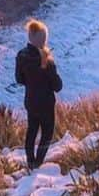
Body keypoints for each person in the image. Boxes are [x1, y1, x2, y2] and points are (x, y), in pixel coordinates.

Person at [15, 18, 63, 169]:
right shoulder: (46, 60)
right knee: (47, 133)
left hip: (30, 101)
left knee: (32, 130)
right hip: (46, 103)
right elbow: (57, 86)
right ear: (43, 40)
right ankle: (38, 162)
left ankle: (30, 161)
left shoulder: (21, 56)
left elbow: (19, 79)